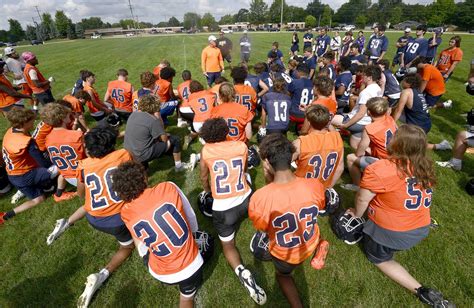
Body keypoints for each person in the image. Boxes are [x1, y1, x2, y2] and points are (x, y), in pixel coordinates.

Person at [345, 125, 454, 308]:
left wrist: (356, 215)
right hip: (420, 226)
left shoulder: (381, 169)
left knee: (379, 259)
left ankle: (421, 291)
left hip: (393, 233)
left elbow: (362, 199)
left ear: (397, 143)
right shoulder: (425, 165)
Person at [249, 133, 326, 308]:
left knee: (282, 275)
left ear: (267, 162)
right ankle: (320, 245)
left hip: (286, 254)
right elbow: (319, 205)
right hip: (310, 240)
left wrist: (268, 179)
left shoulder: (260, 198)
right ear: (291, 156)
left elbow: (263, 228)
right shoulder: (314, 184)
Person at [114, 161, 204, 308]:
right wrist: (194, 236)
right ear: (144, 177)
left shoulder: (125, 212)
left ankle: (146, 256)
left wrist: (144, 255)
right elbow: (191, 218)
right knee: (187, 299)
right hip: (190, 265)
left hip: (160, 272)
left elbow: (139, 238)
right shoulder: (168, 187)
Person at [199, 117, 266, 305]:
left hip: (223, 208)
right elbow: (244, 170)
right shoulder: (240, 146)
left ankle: (240, 270)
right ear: (225, 132)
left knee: (228, 246)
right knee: (248, 183)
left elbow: (204, 178)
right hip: (246, 199)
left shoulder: (206, 151)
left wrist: (207, 191)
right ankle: (265, 234)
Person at [0, 108, 58, 225]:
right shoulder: (26, 141)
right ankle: (46, 184)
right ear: (23, 123)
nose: (33, 123)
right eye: (31, 121)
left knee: (39, 199)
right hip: (25, 175)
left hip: (13, 176)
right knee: (61, 165)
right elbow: (41, 162)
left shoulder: (10, 131)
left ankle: (6, 215)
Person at [124, 95, 195, 171]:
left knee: (145, 142)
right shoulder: (152, 120)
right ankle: (179, 166)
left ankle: (144, 166)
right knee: (175, 139)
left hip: (129, 150)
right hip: (142, 154)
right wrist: (166, 134)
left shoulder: (133, 114)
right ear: (155, 106)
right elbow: (164, 140)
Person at [343, 97, 397, 191]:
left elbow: (359, 153)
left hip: (386, 163)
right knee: (368, 151)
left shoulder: (370, 128)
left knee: (351, 158)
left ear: (368, 112)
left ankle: (357, 186)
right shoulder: (390, 119)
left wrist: (365, 150)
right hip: (396, 157)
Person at [293, 104, 344, 188]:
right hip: (321, 189)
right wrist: (328, 187)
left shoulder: (300, 142)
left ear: (308, 121)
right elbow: (339, 168)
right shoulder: (337, 138)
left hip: (301, 189)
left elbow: (282, 167)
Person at [333, 65, 383, 150]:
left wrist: (346, 126)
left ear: (369, 78)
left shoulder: (366, 92)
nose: (362, 77)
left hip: (357, 122)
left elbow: (360, 113)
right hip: (367, 122)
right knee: (355, 146)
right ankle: (377, 156)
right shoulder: (378, 89)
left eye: (364, 75)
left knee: (328, 119)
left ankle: (334, 144)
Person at [43, 103, 85, 201]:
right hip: (82, 178)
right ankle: (80, 194)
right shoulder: (76, 135)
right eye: (67, 114)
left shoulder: (48, 138)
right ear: (62, 118)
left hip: (67, 175)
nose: (69, 115)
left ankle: (59, 194)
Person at [182, 80, 217, 149]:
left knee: (199, 130)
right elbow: (215, 98)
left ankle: (191, 136)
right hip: (209, 122)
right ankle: (204, 139)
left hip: (197, 123)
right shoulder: (209, 93)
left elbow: (187, 107)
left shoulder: (191, 97)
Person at [288, 63, 314, 131]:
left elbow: (288, 96)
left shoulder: (295, 82)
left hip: (294, 114)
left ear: (298, 72)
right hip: (308, 115)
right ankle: (301, 126)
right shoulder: (314, 83)